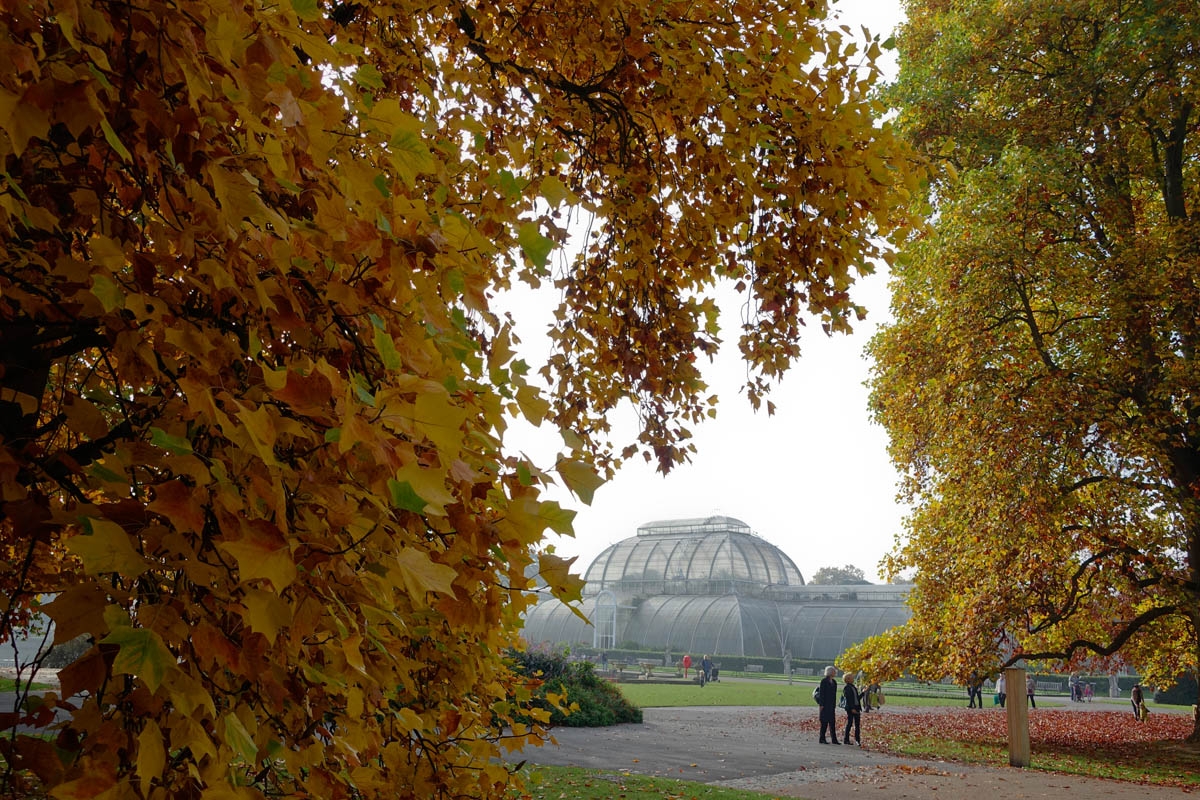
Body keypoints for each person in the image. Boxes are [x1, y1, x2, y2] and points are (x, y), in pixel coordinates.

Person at [817, 665, 840, 744]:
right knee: (824, 723)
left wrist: (834, 705)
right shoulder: (824, 681)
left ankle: (834, 739)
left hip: (831, 705)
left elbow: (834, 695)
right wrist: (821, 705)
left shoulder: (834, 682)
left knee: (832, 722)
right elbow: (822, 694)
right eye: (833, 671)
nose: (835, 673)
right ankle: (822, 738)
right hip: (825, 705)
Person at [842, 672, 863, 746]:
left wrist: (863, 693)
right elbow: (848, 700)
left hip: (856, 707)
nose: (853, 679)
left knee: (857, 725)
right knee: (849, 724)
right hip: (851, 709)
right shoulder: (847, 688)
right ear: (848, 679)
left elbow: (857, 698)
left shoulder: (853, 687)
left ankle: (858, 740)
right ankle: (846, 739)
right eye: (851, 677)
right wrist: (852, 708)